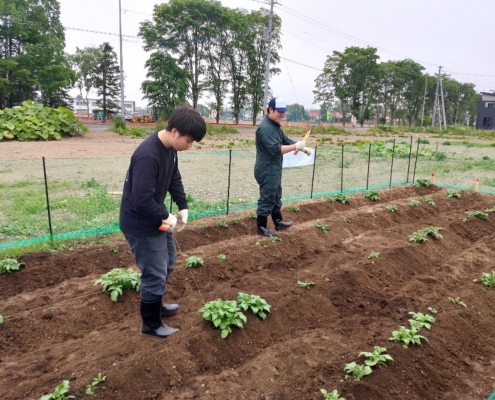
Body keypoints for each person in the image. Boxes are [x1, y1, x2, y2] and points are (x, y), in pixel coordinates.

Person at [120, 105, 206, 338]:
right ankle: (150, 323)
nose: (190, 146)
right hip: (141, 224)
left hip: (155, 218)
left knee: (168, 260)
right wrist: (165, 215)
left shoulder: (169, 150)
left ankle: (156, 302)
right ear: (175, 132)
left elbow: (173, 178)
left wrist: (182, 205)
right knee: (155, 271)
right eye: (189, 140)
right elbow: (140, 200)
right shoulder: (149, 155)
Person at [254, 97, 311, 237]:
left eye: (283, 111)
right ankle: (261, 227)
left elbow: (284, 140)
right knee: (267, 196)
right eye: (279, 111)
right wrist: (295, 147)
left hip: (274, 168)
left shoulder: (274, 126)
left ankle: (278, 221)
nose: (282, 114)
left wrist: (301, 147)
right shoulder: (265, 129)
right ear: (270, 110)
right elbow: (275, 149)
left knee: (275, 194)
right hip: (266, 169)